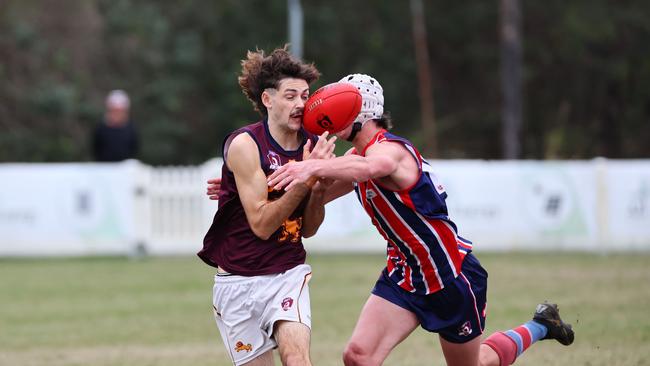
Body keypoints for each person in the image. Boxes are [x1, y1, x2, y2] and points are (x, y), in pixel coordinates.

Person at [267, 74, 575, 366]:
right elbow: (310, 197)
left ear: (362, 113)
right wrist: (241, 188)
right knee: (358, 357)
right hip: (404, 273)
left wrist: (313, 170)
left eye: (341, 108)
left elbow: (376, 166)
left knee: (477, 362)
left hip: (449, 275)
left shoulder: (389, 150)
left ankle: (541, 326)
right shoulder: (357, 160)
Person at [197, 46, 335, 366]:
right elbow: (261, 225)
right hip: (236, 282)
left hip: (287, 273)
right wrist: (304, 179)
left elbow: (310, 229)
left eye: (305, 95)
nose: (300, 104)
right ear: (267, 100)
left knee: (296, 357)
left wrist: (318, 188)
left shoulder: (313, 145)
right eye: (290, 96)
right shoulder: (246, 145)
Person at [92, 89, 139, 162]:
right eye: (114, 111)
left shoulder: (131, 129)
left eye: (120, 111)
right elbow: (96, 149)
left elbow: (134, 149)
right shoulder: (100, 129)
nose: (117, 114)